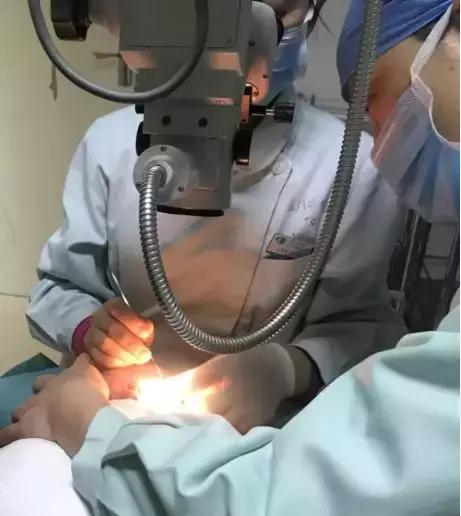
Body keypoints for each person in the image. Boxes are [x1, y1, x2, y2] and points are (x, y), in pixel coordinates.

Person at [0, 1, 459, 515]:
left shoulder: (348, 165)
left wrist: (285, 369)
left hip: (262, 425)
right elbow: (59, 286)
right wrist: (92, 330)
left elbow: (361, 329)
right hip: (115, 394)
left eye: (274, 6)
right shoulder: (109, 144)